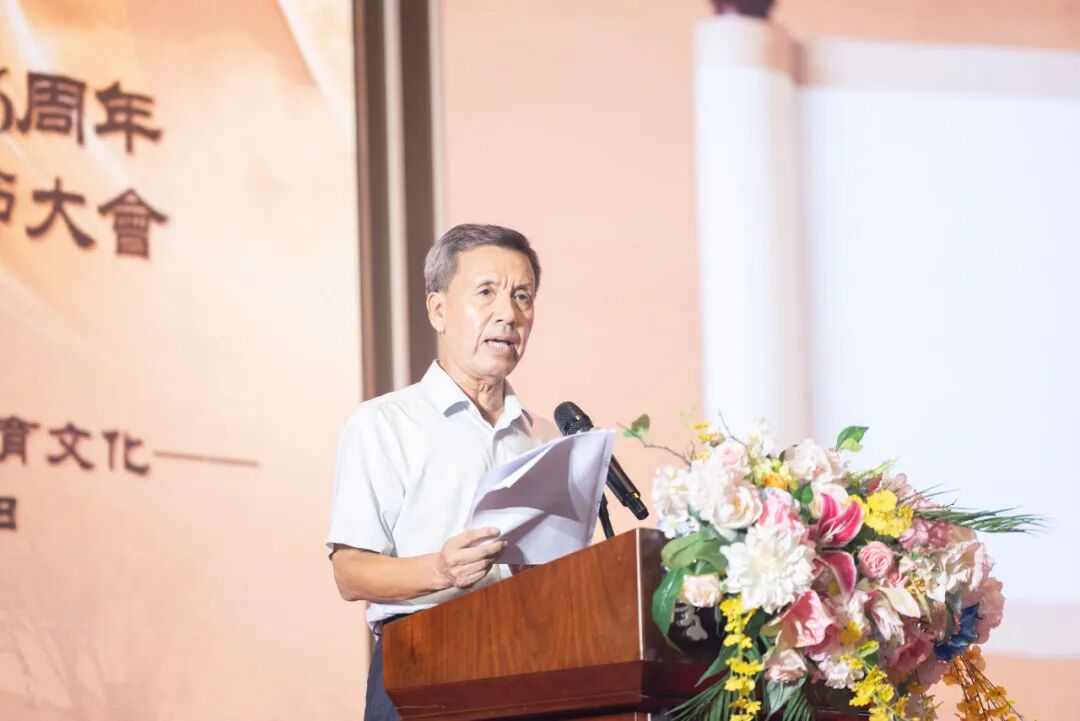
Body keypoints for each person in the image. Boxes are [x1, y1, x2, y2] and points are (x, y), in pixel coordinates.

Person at [325, 223, 556, 721]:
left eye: (522, 297)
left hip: (532, 668)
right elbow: (349, 572)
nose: (508, 314)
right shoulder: (384, 423)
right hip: (421, 665)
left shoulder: (544, 437)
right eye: (486, 292)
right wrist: (442, 570)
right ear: (438, 310)